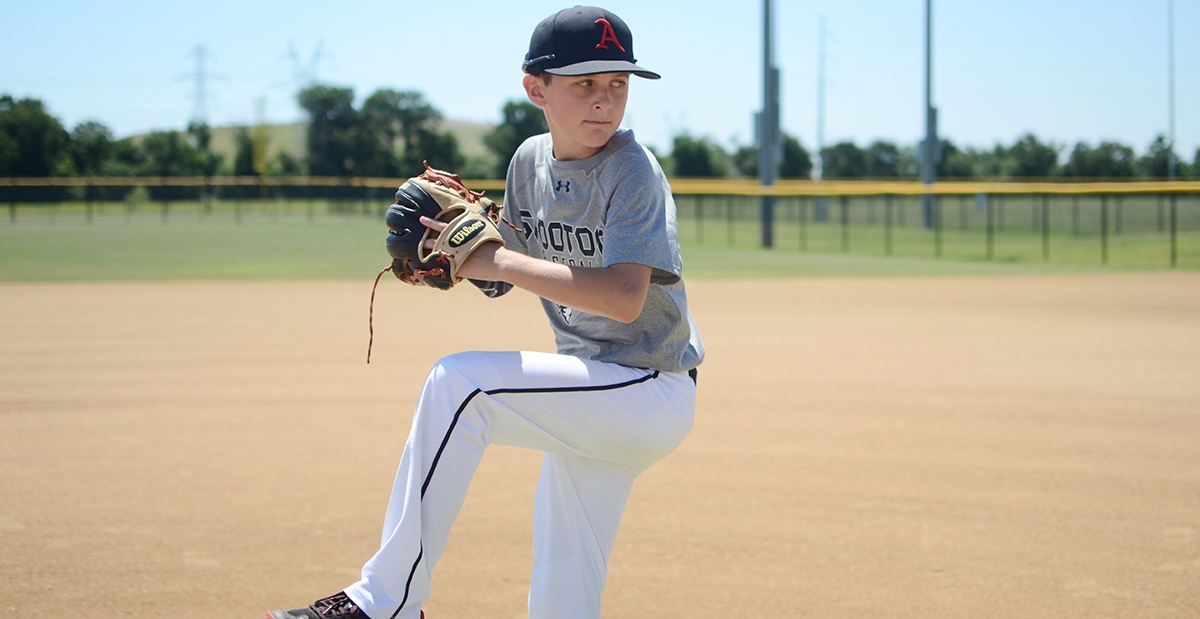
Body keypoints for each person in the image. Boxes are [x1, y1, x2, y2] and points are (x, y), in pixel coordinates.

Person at [267, 6, 704, 619]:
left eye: (618, 84)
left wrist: (492, 260)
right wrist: (461, 254)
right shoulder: (529, 162)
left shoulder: (633, 170)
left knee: (460, 385)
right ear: (536, 88)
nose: (604, 101)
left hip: (648, 387)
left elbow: (622, 298)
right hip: (592, 386)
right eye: (584, 84)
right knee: (565, 582)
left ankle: (386, 601)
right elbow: (510, 272)